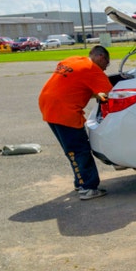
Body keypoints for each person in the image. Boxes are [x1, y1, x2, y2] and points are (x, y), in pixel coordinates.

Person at [38, 45, 111, 200]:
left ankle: (80, 182)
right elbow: (109, 94)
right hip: (64, 111)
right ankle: (88, 188)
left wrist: (93, 94)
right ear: (101, 57)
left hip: (48, 105)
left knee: (71, 150)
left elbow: (74, 86)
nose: (105, 69)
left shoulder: (72, 60)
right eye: (107, 64)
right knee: (80, 150)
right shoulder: (93, 69)